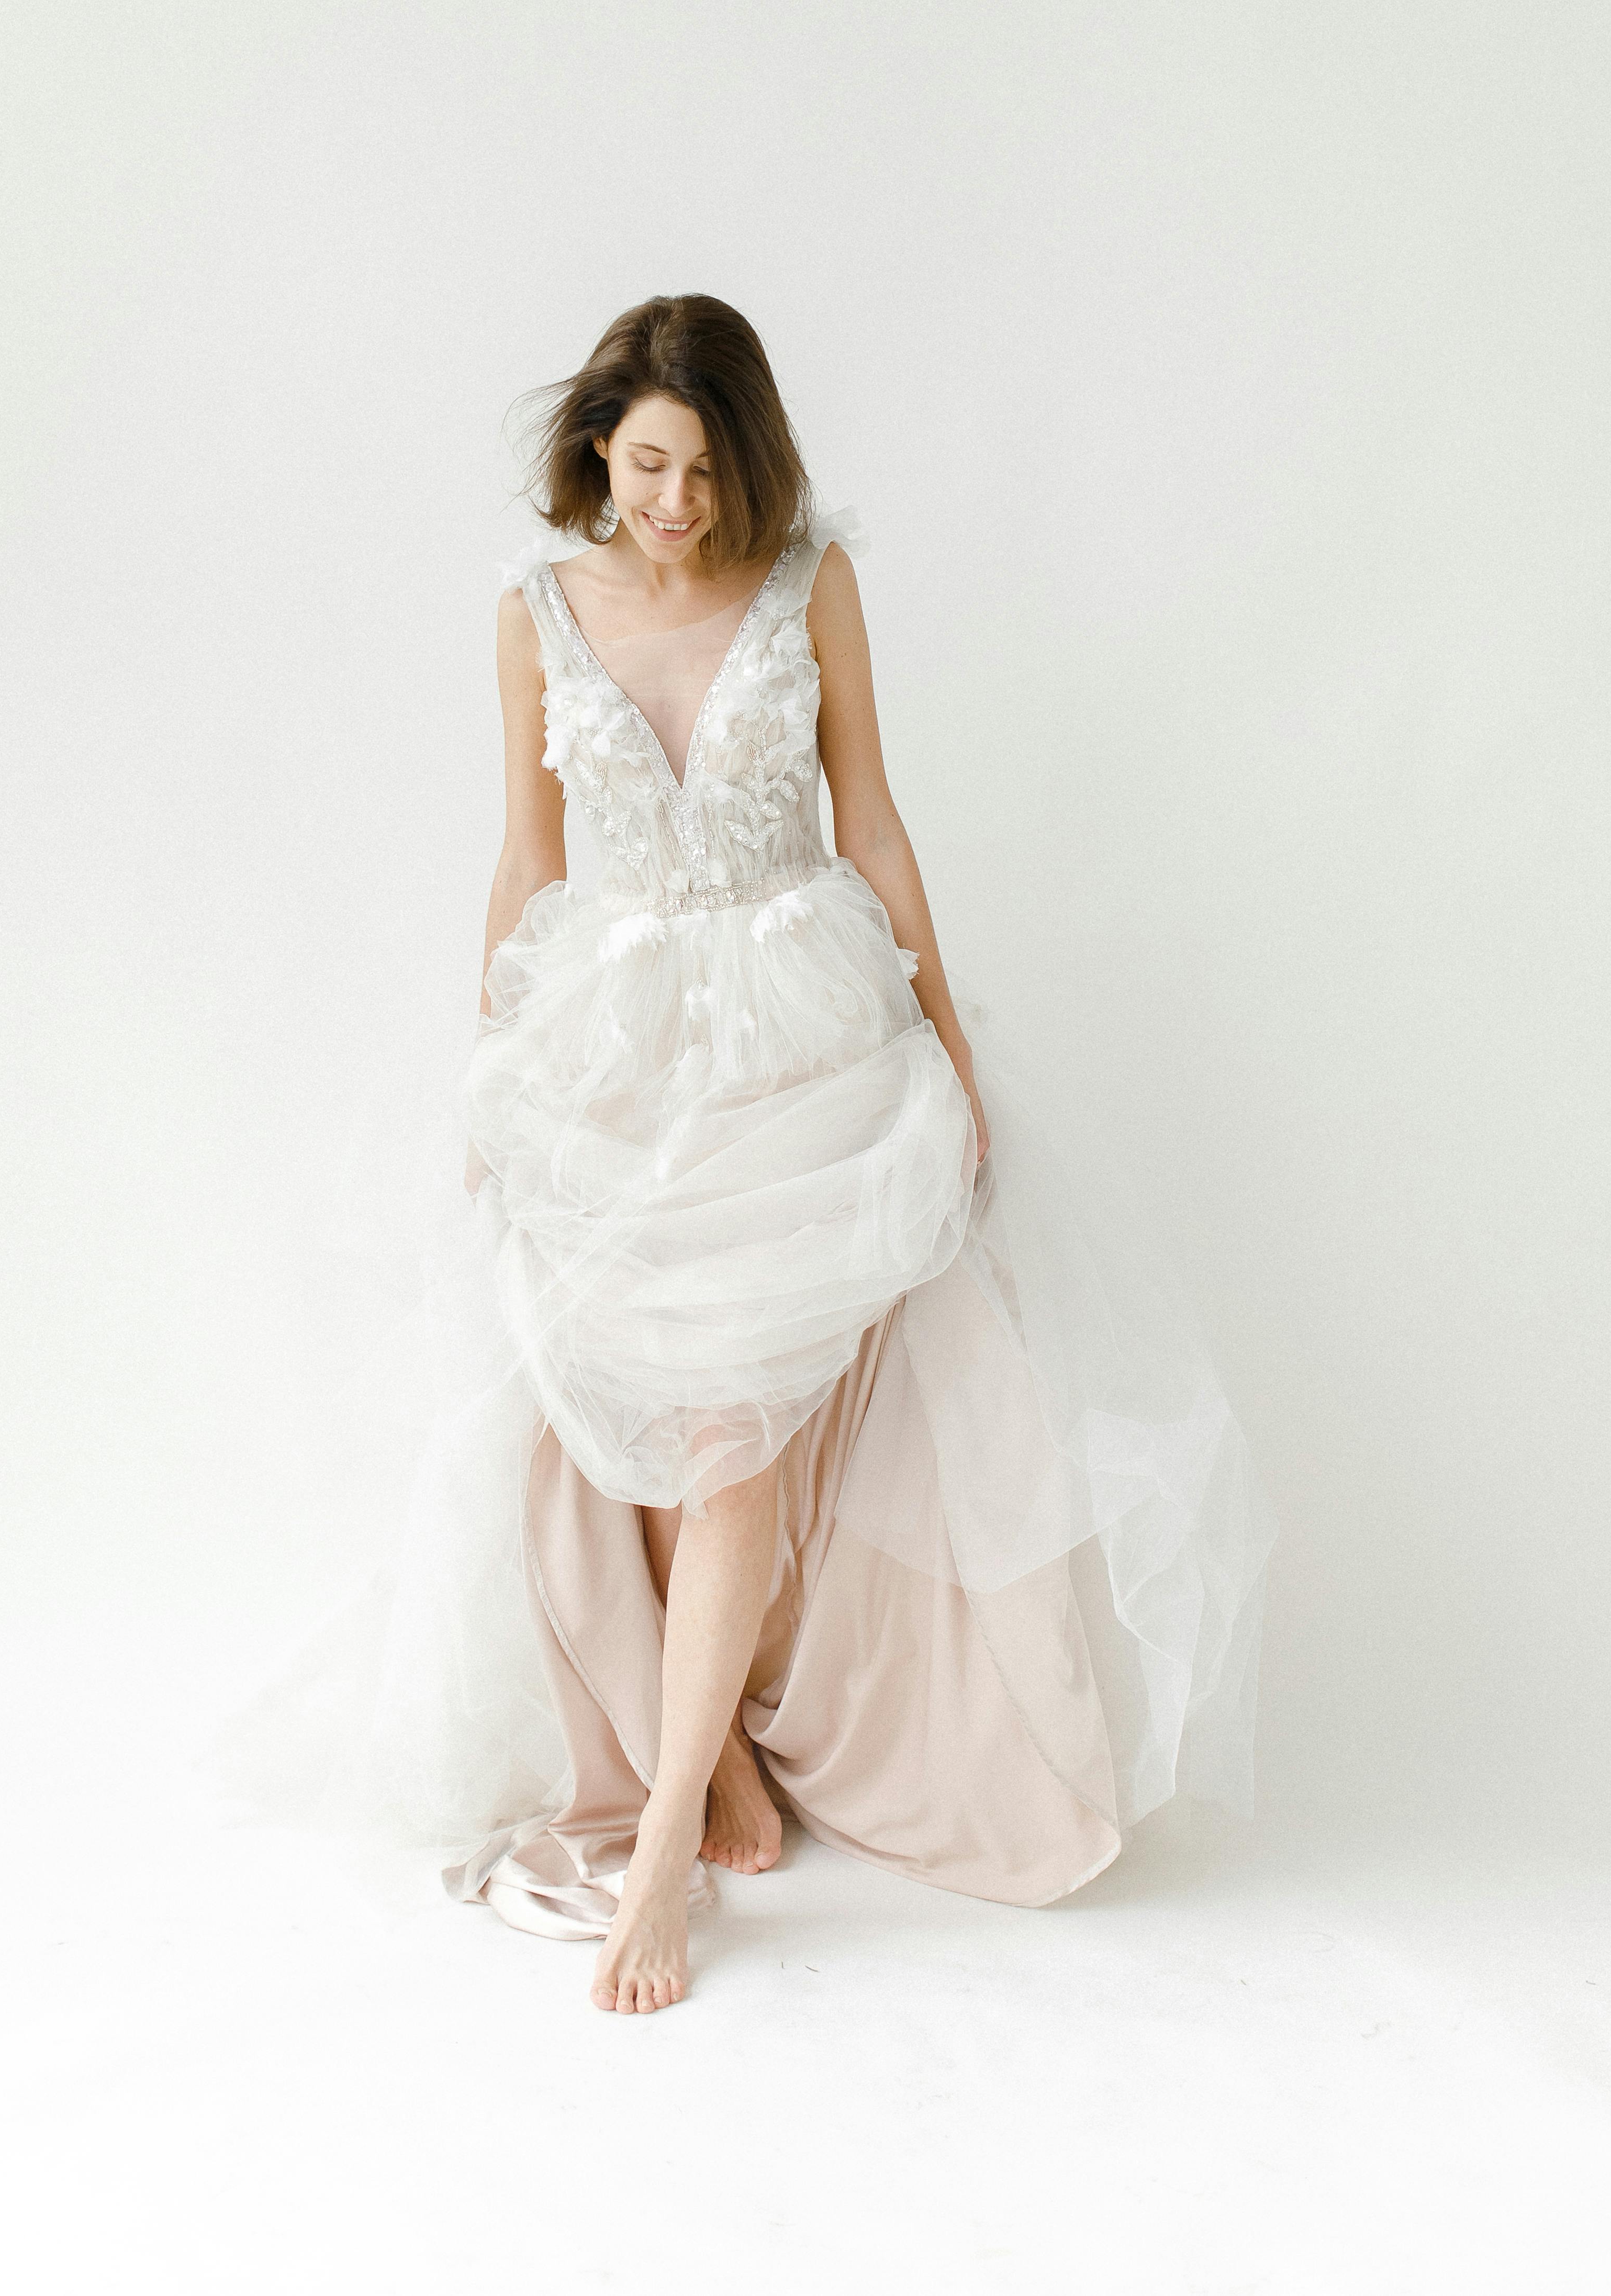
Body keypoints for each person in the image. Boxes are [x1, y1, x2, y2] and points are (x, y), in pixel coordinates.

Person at [420, 294, 1270, 2018]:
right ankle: (715, 1740)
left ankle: (661, 1842)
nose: (672, 501)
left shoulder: (812, 580)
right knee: (647, 1419)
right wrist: (489, 1068)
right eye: (645, 463)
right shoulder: (534, 609)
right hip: (611, 1036)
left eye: (704, 467)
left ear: (753, 457)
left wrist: (943, 1034)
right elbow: (523, 859)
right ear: (598, 447)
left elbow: (867, 810)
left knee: (735, 1431)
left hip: (793, 1023)